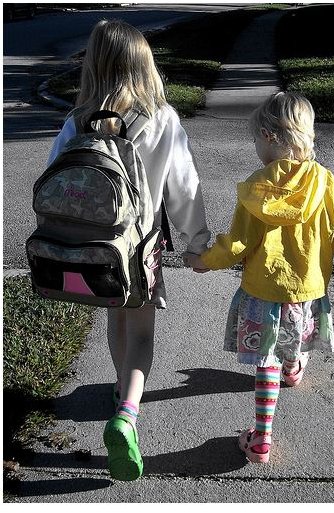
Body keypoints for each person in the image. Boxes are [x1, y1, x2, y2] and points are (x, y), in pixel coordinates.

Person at [47, 20, 210, 480]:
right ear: (145, 65)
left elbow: (54, 177)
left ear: (94, 66)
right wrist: (197, 242)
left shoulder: (77, 119)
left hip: (95, 248)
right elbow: (184, 188)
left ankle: (121, 389)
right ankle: (127, 414)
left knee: (114, 319)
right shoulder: (162, 119)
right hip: (142, 250)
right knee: (141, 331)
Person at [184, 92, 334, 463]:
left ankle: (261, 439)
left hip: (262, 293)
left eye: (255, 138)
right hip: (306, 291)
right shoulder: (325, 182)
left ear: (269, 136)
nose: (255, 146)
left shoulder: (257, 188)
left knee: (264, 360)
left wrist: (205, 260)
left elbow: (237, 243)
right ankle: (293, 368)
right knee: (293, 338)